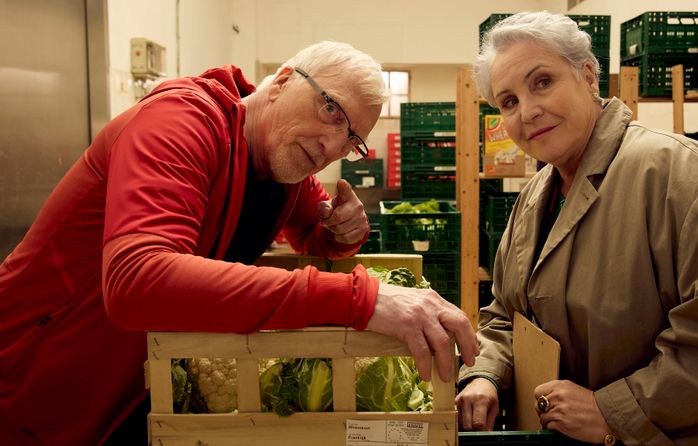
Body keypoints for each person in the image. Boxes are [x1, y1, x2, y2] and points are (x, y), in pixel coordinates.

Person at [0, 41, 479, 446]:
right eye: (331, 108)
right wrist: (361, 300)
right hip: (32, 386)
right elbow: (136, 281)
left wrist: (339, 235)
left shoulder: (283, 166)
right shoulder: (179, 123)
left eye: (351, 138)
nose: (332, 145)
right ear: (285, 80)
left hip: (131, 392)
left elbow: (310, 234)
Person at [456, 11, 698, 445]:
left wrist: (619, 410)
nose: (528, 110)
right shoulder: (535, 197)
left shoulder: (678, 174)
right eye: (508, 101)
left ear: (587, 76)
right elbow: (507, 314)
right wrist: (487, 375)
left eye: (542, 82)